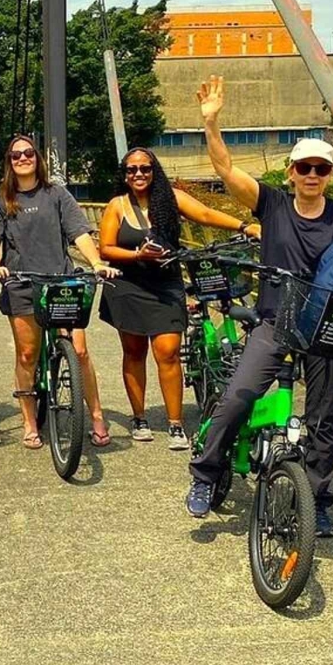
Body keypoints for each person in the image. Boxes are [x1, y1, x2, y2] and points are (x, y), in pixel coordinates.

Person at [184, 77, 333, 538]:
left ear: (329, 175)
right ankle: (206, 475)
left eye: (320, 169)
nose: (312, 175)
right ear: (291, 172)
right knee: (238, 396)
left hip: (323, 327)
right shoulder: (272, 204)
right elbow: (227, 170)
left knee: (324, 418)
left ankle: (318, 500)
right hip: (276, 319)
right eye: (304, 168)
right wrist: (211, 123)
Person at [0, 135, 118, 450]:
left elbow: (79, 232)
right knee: (27, 355)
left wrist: (97, 262)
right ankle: (30, 422)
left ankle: (96, 416)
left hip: (60, 282)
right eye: (16, 155)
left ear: (37, 157)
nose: (23, 158)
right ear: (9, 162)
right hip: (22, 283)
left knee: (79, 352)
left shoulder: (56, 194)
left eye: (28, 152)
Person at [98, 147, 238, 450]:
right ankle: (139, 418)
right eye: (132, 169)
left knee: (168, 351)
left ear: (154, 170)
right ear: (124, 174)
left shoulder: (171, 198)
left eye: (145, 168)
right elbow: (105, 249)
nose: (138, 174)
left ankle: (175, 423)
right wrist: (138, 255)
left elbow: (205, 214)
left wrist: (243, 226)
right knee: (134, 351)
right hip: (129, 284)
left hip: (166, 283)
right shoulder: (117, 205)